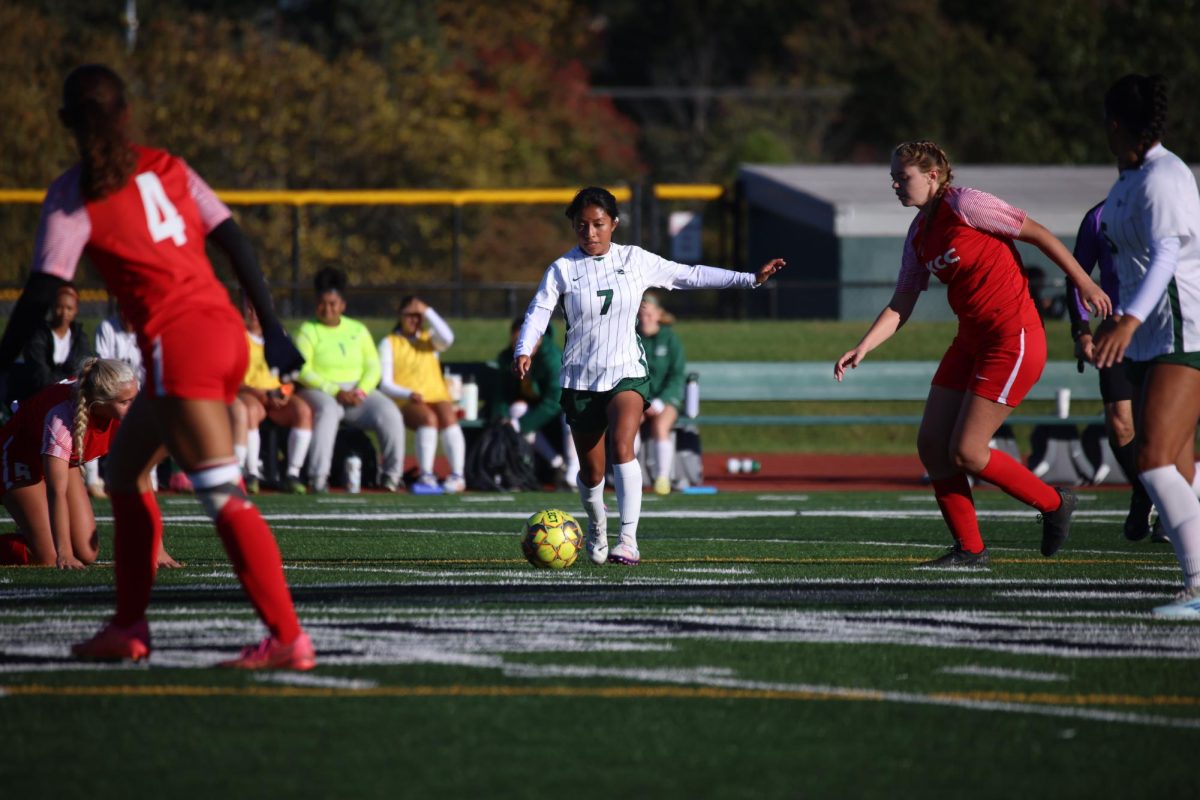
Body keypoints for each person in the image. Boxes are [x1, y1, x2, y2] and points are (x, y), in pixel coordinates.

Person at [0, 65, 314, 668]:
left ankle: (288, 637)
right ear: (125, 114)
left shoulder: (73, 194)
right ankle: (128, 627)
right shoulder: (168, 166)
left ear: (66, 121)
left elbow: (41, 293)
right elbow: (234, 239)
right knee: (123, 471)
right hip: (223, 331)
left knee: (221, 492)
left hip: (181, 344)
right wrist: (270, 329)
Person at [834, 140, 1111, 567]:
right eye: (892, 176)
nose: (894, 184)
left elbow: (1037, 234)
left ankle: (1055, 503)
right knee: (931, 444)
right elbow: (903, 300)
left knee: (967, 451)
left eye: (901, 176)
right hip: (971, 341)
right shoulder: (918, 234)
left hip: (1012, 337)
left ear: (932, 176)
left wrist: (1085, 283)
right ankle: (970, 549)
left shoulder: (966, 204)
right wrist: (863, 346)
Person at [513, 186, 785, 566]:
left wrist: (749, 279)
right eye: (581, 226)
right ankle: (597, 524)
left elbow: (689, 274)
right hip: (580, 380)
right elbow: (538, 310)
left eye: (598, 224)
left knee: (623, 446)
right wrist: (524, 348)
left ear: (614, 224)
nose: (590, 233)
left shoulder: (635, 259)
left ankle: (628, 539)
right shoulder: (562, 269)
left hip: (627, 373)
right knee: (591, 474)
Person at [1092, 75, 1200, 617]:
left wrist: (1128, 322)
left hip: (1184, 331)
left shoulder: (1165, 177)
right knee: (1178, 467)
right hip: (1150, 335)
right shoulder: (1128, 181)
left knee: (1153, 461)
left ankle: (1199, 587)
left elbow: (1165, 256)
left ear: (1115, 124)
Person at [0, 358, 180, 567]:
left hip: (61, 460)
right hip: (18, 457)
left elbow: (141, 480)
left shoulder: (126, 414)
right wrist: (64, 552)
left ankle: (34, 530)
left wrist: (157, 549)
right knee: (49, 557)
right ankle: (35, 535)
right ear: (98, 404)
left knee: (87, 553)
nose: (134, 407)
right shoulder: (61, 417)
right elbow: (56, 491)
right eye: (124, 402)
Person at [1066, 200, 1162, 542]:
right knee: (1120, 425)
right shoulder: (1099, 216)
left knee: (1166, 425)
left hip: (1169, 331)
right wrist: (1082, 330)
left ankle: (1170, 508)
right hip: (1117, 330)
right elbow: (1077, 274)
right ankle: (1145, 493)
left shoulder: (1176, 208)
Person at [294, 267, 406, 493]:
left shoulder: (358, 329)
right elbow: (302, 370)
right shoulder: (307, 330)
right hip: (321, 391)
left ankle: (392, 476)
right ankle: (318, 477)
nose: (327, 309)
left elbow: (373, 366)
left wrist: (361, 391)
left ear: (342, 305)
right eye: (322, 304)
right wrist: (333, 390)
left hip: (357, 393)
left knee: (389, 412)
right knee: (327, 412)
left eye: (333, 304)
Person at [377, 296, 467, 494]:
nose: (414, 321)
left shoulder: (429, 338)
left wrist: (427, 310)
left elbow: (448, 337)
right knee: (428, 418)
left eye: (418, 316)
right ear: (400, 316)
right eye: (409, 315)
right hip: (405, 399)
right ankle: (426, 474)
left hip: (436, 394)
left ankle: (457, 474)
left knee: (448, 416)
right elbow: (385, 384)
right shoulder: (389, 343)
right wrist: (408, 393)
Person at [236, 303, 312, 494]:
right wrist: (258, 393)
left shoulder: (279, 335)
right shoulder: (236, 336)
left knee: (303, 411)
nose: (253, 313)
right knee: (251, 411)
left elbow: (289, 374)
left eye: (258, 307)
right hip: (248, 394)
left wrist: (285, 393)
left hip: (275, 398)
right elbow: (229, 379)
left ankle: (292, 474)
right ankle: (251, 473)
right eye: (249, 308)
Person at [494, 317, 578, 488]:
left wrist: (522, 424)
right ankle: (555, 462)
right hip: (533, 406)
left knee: (571, 415)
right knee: (517, 409)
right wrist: (502, 416)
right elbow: (501, 393)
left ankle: (573, 471)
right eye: (517, 341)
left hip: (558, 407)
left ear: (538, 338)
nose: (520, 345)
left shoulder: (551, 358)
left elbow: (555, 399)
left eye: (524, 340)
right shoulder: (507, 358)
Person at [88, 303, 145, 497]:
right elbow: (104, 367)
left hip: (134, 393)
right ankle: (92, 479)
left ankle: (147, 479)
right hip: (111, 391)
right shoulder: (107, 328)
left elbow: (146, 370)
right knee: (94, 425)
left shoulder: (144, 331)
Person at [637, 292, 687, 495]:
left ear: (658, 314)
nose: (644, 319)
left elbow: (677, 376)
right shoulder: (631, 336)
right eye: (641, 315)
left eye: (649, 314)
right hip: (639, 398)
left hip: (666, 399)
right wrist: (642, 401)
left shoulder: (670, 339)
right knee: (628, 424)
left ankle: (662, 478)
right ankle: (632, 477)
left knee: (660, 426)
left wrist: (660, 401)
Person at [9, 284, 92, 406]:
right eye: (59, 307)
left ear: (75, 310)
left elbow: (82, 368)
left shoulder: (79, 337)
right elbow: (39, 375)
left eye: (69, 308)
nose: (64, 313)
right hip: (39, 396)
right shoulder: (37, 336)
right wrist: (66, 380)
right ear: (52, 308)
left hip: (69, 397)